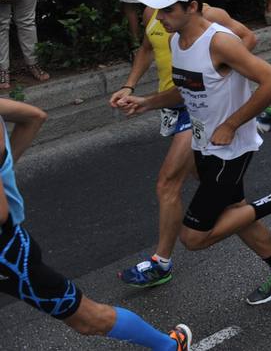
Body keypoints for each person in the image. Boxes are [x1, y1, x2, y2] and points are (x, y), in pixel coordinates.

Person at [109, 0, 271, 289]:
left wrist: (231, 124)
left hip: (229, 150)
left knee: (193, 237)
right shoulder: (178, 40)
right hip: (202, 142)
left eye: (168, 10)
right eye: (159, 9)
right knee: (234, 213)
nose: (160, 18)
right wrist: (146, 102)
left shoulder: (220, 43)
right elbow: (186, 88)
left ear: (192, 7)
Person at [1, 98, 193, 350]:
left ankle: (169, 347)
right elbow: (34, 116)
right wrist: (6, 168)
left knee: (87, 319)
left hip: (8, 254)